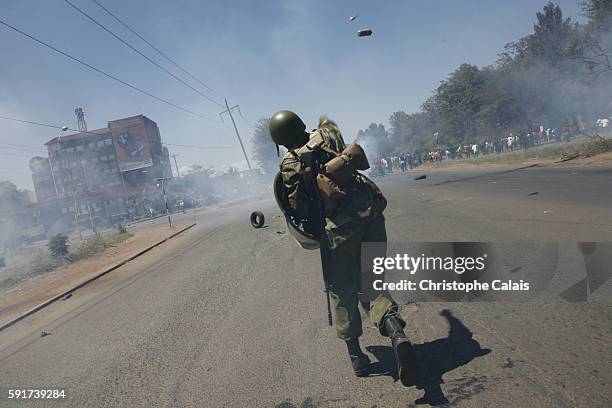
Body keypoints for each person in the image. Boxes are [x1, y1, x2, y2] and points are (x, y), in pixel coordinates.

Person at [269, 110, 419, 386]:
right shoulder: (329, 133)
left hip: (338, 232)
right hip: (372, 215)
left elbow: (297, 208)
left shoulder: (290, 164)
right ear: (301, 124)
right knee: (371, 281)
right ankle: (397, 333)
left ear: (279, 139)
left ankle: (357, 358)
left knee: (342, 291)